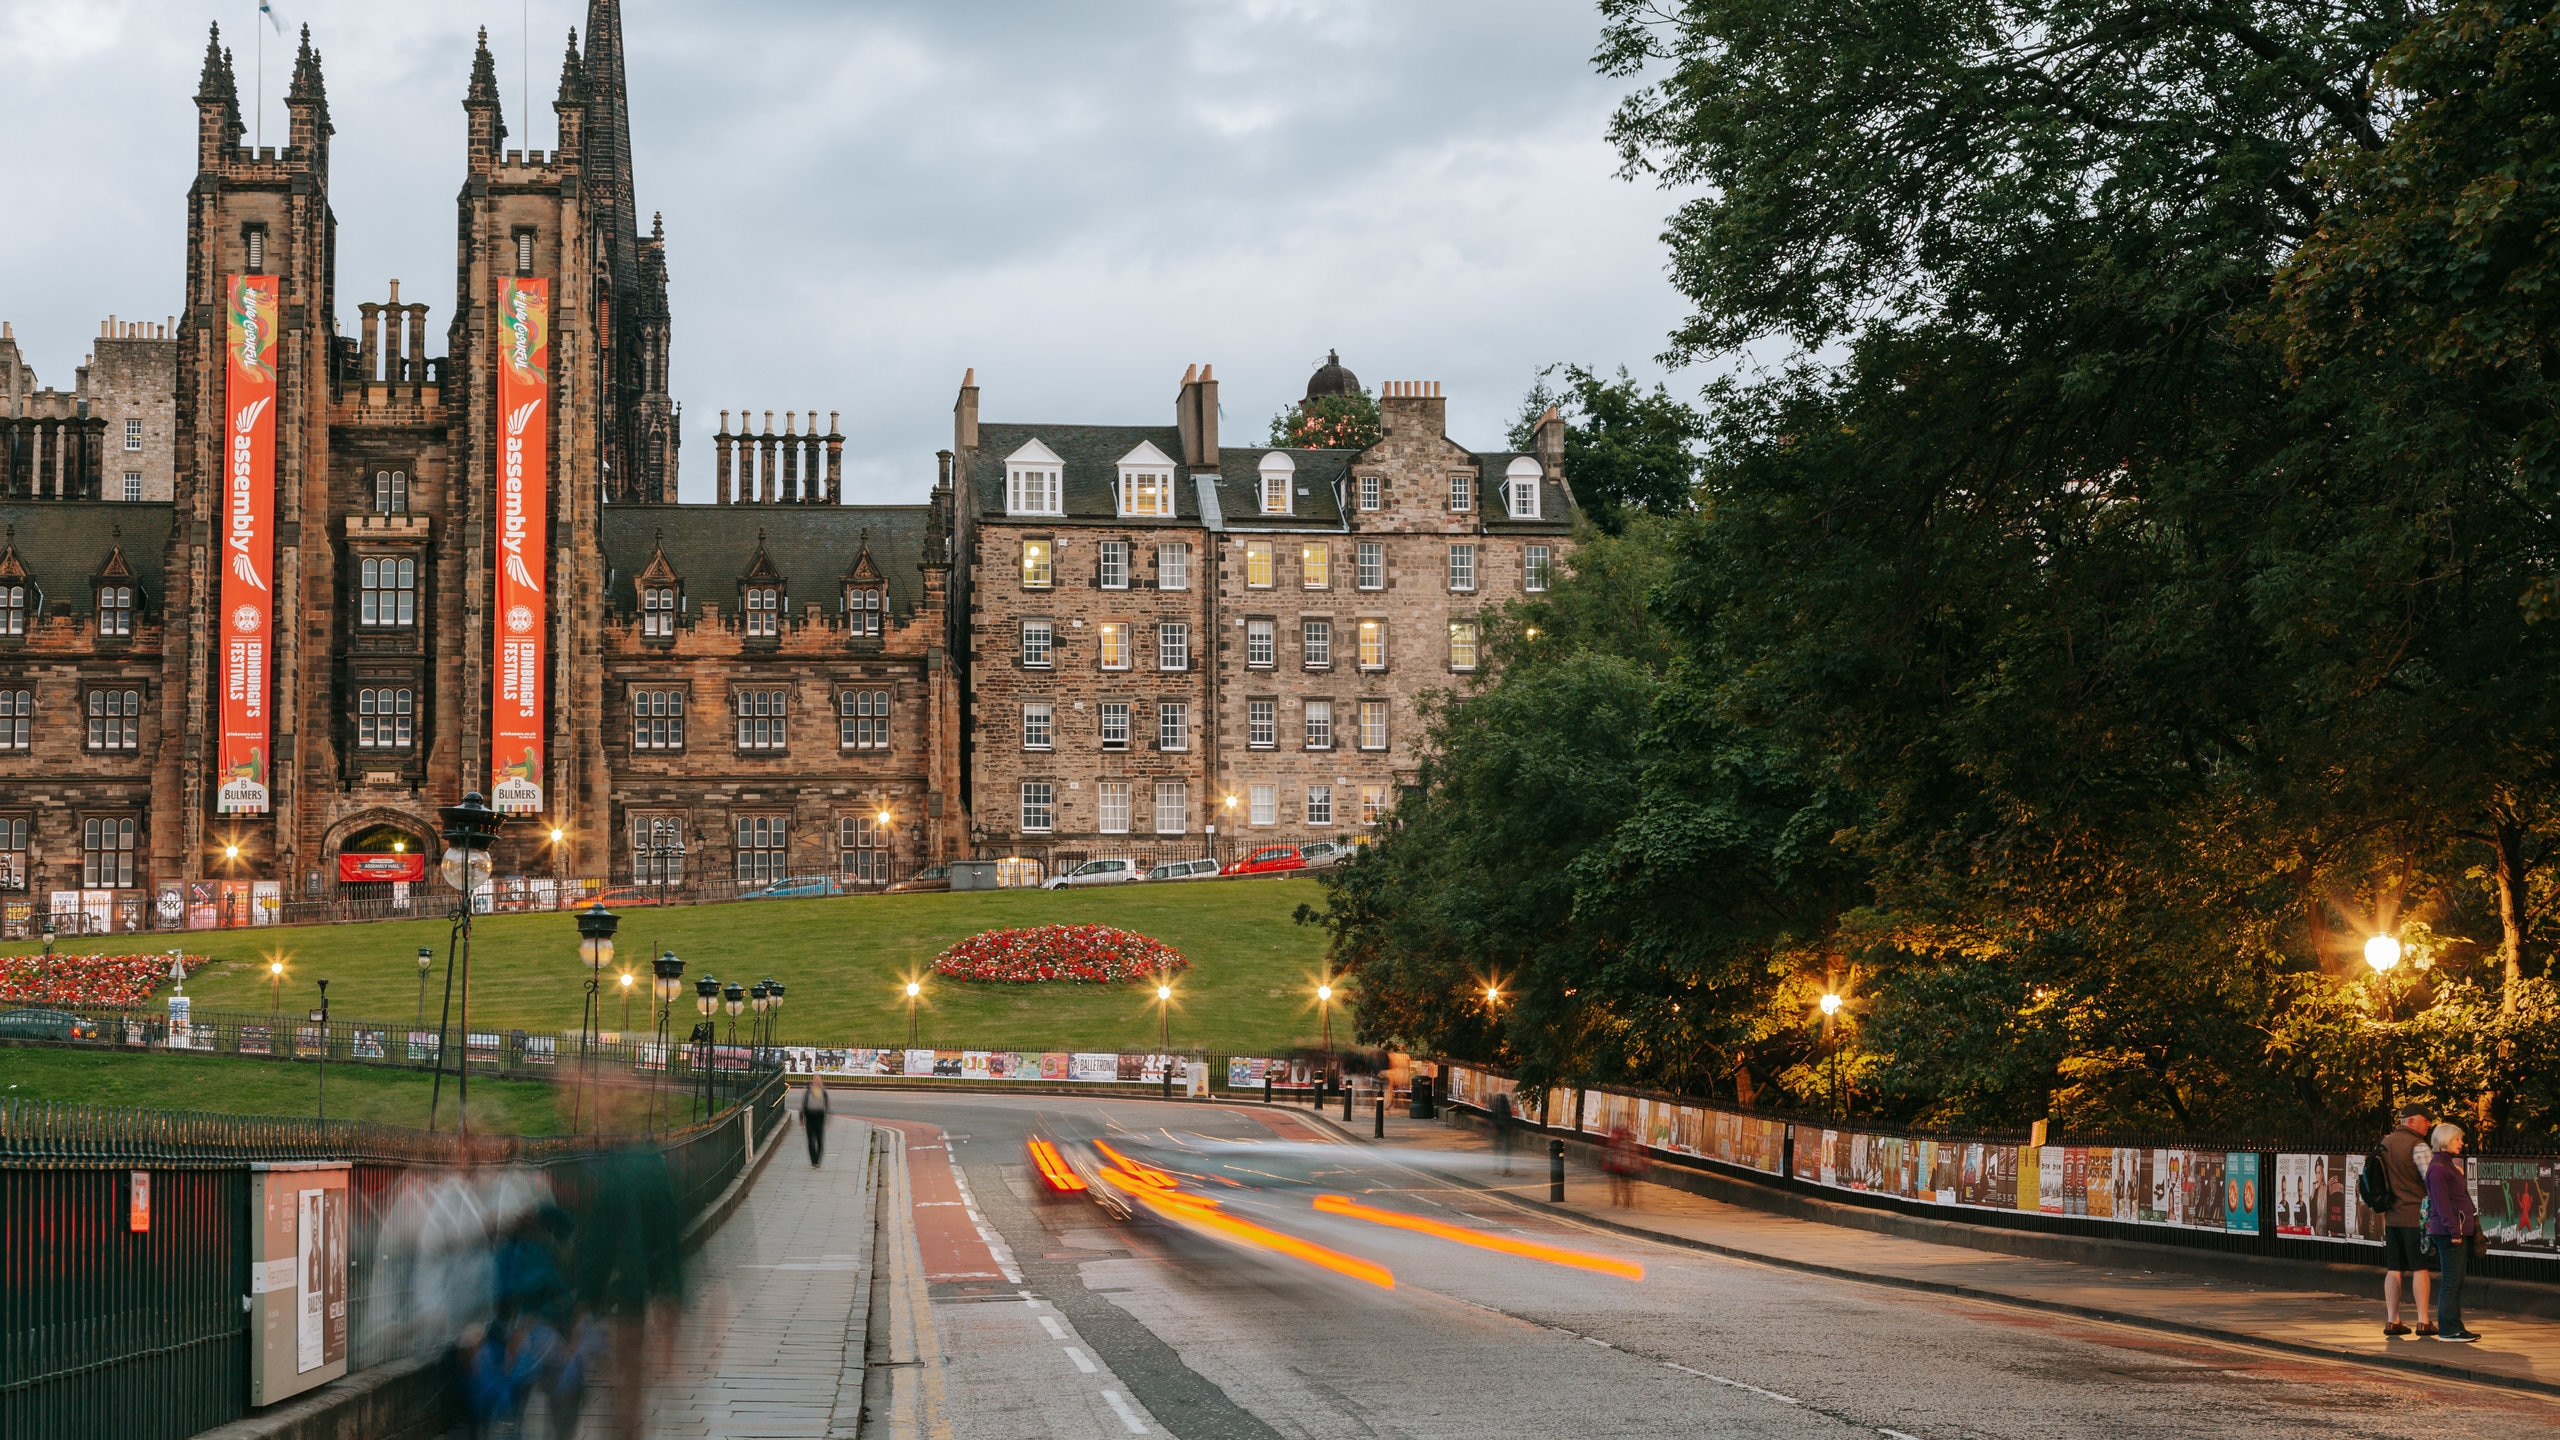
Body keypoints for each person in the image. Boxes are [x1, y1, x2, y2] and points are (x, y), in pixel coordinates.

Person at [2380, 1103, 2436, 1337]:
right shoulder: (2418, 1146)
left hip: (2391, 1216)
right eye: (2426, 1120)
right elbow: (2431, 1179)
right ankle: (2423, 1321)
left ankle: (2393, 1320)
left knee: (2394, 1268)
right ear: (2412, 1121)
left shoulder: (2384, 1143)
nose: (2429, 1125)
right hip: (2415, 1216)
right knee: (2420, 1268)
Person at [2426, 1121, 2482, 1342]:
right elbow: (2442, 1204)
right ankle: (2448, 1329)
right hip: (2449, 1233)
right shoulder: (2438, 1168)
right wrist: (2454, 1232)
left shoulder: (2448, 1166)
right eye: (2457, 1139)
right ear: (2444, 1140)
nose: (2461, 1143)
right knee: (2451, 1280)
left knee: (2456, 1280)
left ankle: (2455, 1326)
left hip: (2456, 1230)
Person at [1604, 1123, 1645, 1207]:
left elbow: (1634, 1155)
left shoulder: (1627, 1144)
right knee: (1624, 1185)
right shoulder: (1625, 1143)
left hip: (1625, 1167)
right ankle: (1624, 1202)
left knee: (1624, 1185)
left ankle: (1625, 1202)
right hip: (1622, 1166)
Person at [803, 1078, 831, 1168]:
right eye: (816, 1081)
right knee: (811, 1140)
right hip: (810, 1117)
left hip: (819, 1117)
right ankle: (813, 1160)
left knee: (819, 1139)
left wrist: (827, 1116)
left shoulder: (823, 1092)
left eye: (819, 1081)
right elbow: (803, 1104)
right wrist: (802, 1117)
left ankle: (818, 1159)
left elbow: (827, 1106)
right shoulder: (808, 1091)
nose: (818, 1083)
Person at [1489, 1090, 1515, 1176]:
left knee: (1496, 1149)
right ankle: (1505, 1170)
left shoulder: (1495, 1105)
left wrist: (1494, 1127)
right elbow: (1508, 1116)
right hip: (1505, 1128)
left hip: (1498, 1128)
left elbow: (1493, 1116)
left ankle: (1495, 1168)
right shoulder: (1505, 1105)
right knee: (1505, 1150)